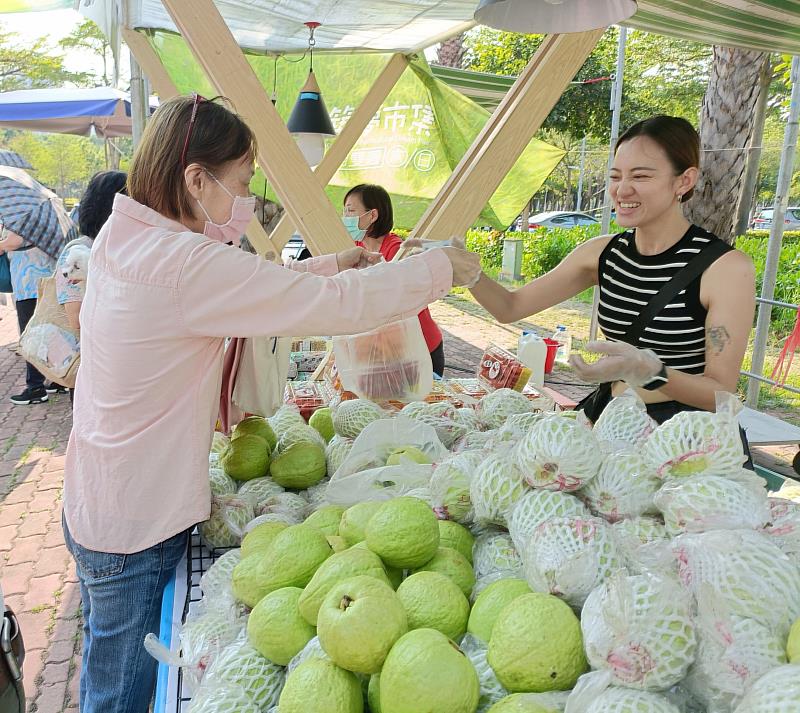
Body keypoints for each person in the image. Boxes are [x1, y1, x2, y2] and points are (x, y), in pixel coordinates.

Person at [61, 94, 480, 713]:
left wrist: (337, 263)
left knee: (107, 664)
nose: (248, 197)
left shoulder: (130, 238)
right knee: (120, 692)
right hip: (135, 518)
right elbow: (332, 307)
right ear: (195, 178)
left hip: (101, 497)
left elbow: (257, 291)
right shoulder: (180, 263)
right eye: (241, 181)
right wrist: (439, 267)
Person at [463, 115, 755, 428]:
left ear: (684, 181)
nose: (622, 190)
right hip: (613, 424)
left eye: (640, 177)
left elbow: (721, 393)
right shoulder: (603, 252)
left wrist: (649, 372)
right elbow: (511, 307)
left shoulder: (725, 268)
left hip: (684, 441)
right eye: (616, 176)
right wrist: (469, 274)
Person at [343, 184, 446, 376]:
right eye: (344, 211)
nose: (345, 218)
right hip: (388, 350)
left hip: (420, 348)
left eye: (350, 211)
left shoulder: (397, 251)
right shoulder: (355, 247)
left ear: (372, 215)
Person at [55, 170, 127, 404]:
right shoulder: (77, 253)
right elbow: (76, 320)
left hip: (117, 366)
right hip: (92, 370)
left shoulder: (117, 249)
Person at [0, 224, 59, 405]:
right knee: (52, 332)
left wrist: (2, 245)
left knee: (30, 337)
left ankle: (36, 387)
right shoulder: (46, 217)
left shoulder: (22, 219)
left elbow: (14, 241)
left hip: (28, 283)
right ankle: (59, 379)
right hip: (48, 279)